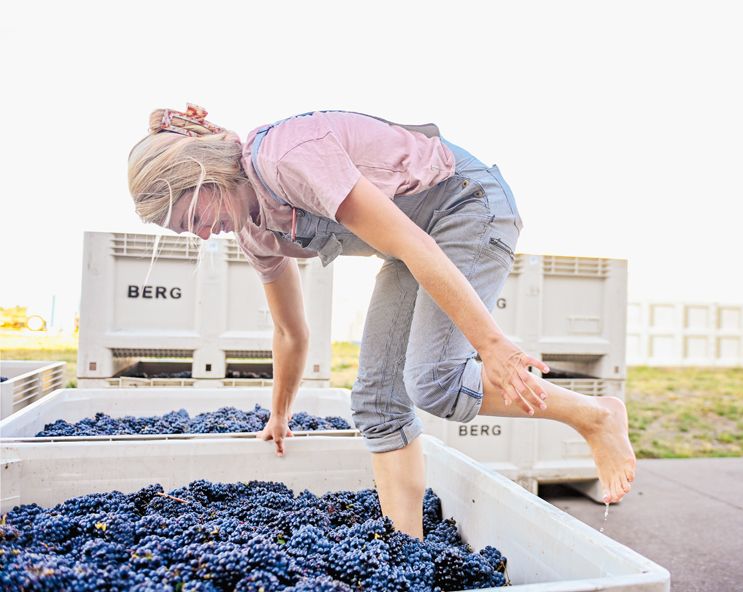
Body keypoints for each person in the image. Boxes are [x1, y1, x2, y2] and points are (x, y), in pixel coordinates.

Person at [127, 104, 636, 539]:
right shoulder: (257, 233)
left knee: (433, 381)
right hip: (415, 243)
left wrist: (492, 344)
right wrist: (279, 413)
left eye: (190, 219)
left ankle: (595, 415)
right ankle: (405, 552)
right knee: (375, 402)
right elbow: (290, 331)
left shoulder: (284, 158)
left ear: (203, 176)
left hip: (465, 206)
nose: (199, 236)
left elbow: (411, 243)